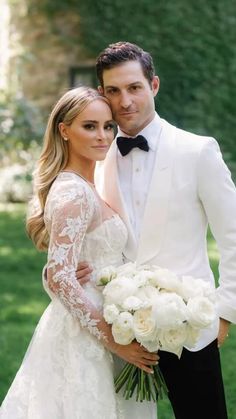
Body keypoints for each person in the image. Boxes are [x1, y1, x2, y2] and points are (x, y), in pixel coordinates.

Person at [77, 42, 236, 419]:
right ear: (102, 94)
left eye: (134, 87)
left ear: (154, 86)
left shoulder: (197, 151)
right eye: (113, 91)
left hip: (189, 323)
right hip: (117, 325)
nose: (125, 101)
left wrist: (224, 312)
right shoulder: (97, 157)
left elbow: (233, 234)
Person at [0, 86, 158, 419]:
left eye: (107, 126)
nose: (102, 135)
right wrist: (113, 342)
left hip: (108, 318)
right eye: (90, 126)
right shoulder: (72, 191)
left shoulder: (90, 184)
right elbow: (60, 275)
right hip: (85, 335)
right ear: (64, 130)